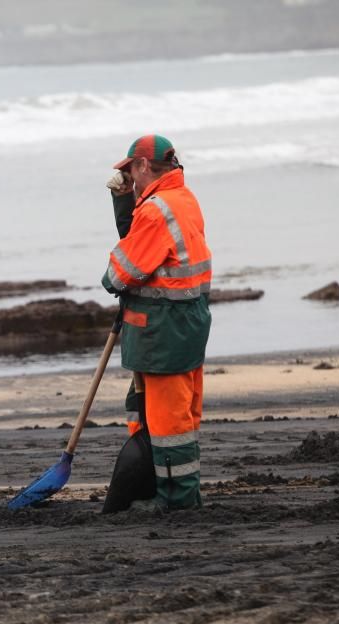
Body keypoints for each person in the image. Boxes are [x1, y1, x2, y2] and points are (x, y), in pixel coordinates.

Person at [101, 135, 212, 510]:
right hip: (185, 326)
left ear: (144, 166)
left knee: (167, 427)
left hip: (161, 331)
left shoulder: (155, 212)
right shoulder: (183, 199)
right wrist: (124, 200)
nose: (128, 175)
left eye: (131, 169)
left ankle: (177, 503)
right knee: (159, 414)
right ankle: (161, 490)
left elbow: (119, 274)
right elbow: (146, 248)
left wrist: (115, 276)